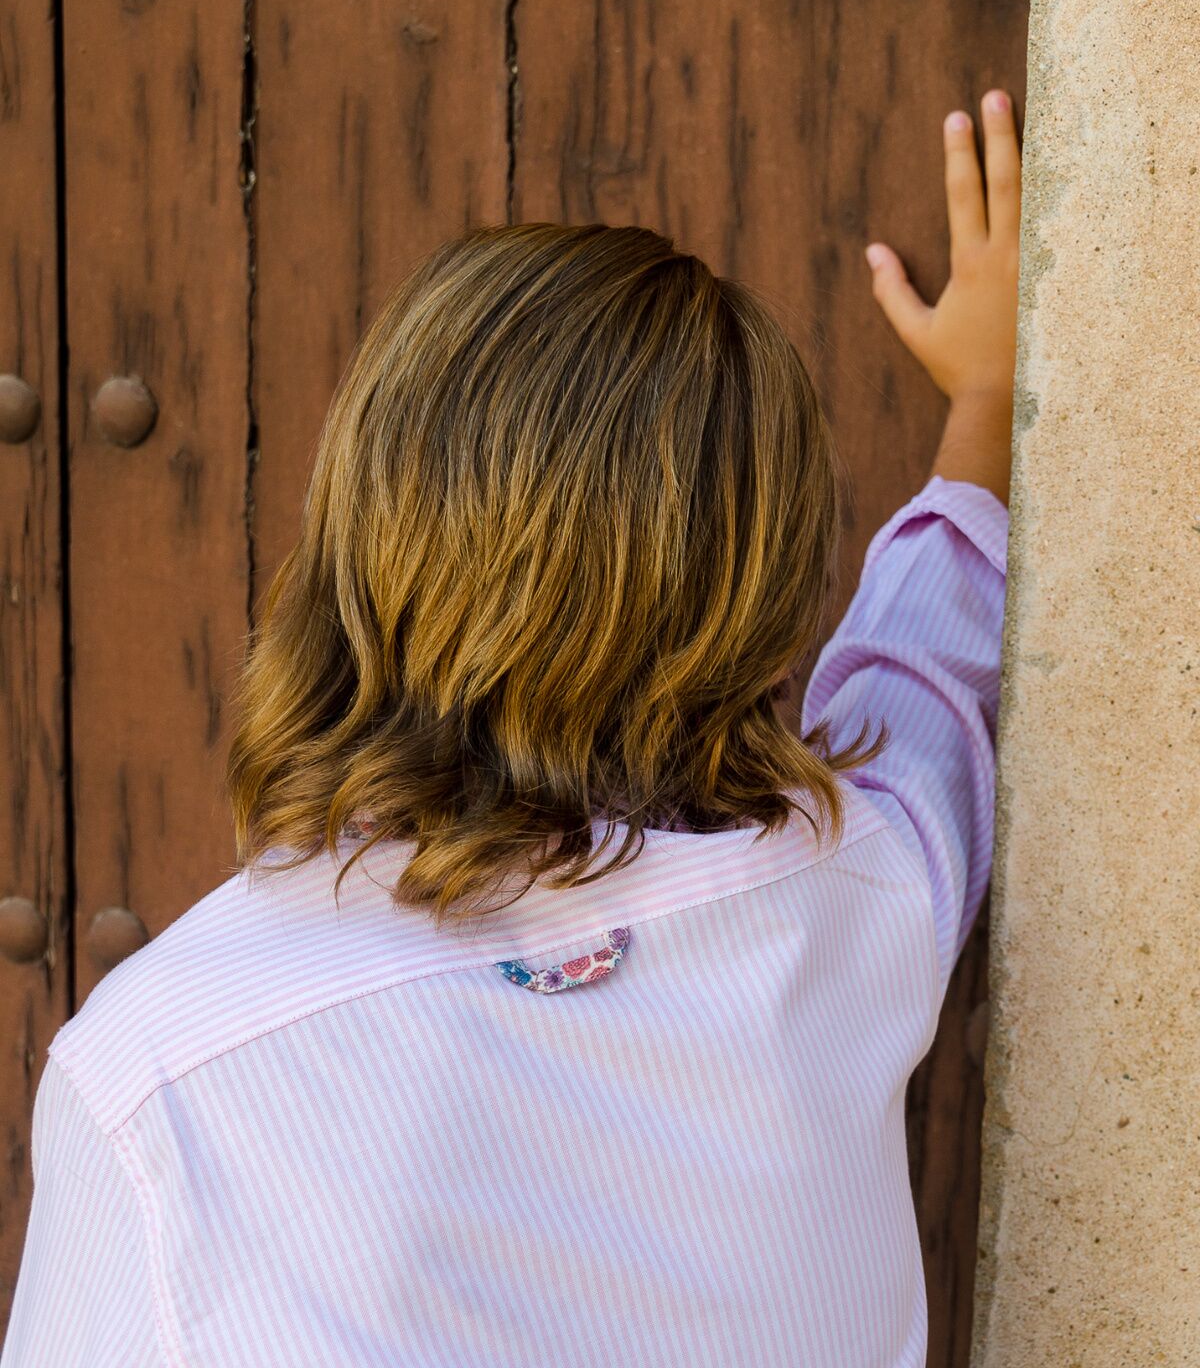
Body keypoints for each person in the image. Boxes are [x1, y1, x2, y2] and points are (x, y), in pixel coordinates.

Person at [1, 93, 1020, 1367]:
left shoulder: (164, 1078)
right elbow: (918, 684)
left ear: (363, 532)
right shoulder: (855, 891)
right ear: (756, 601)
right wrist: (988, 402)